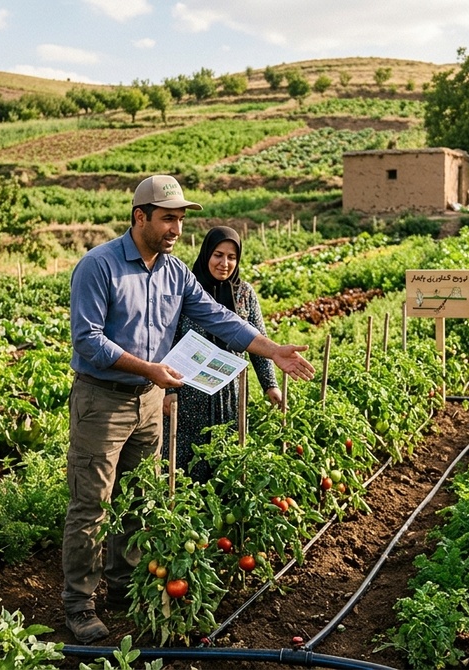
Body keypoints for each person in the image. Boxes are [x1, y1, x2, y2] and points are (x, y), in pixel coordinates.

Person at [62, 174, 315, 644]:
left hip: (149, 400)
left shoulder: (175, 272)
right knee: (92, 503)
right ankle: (79, 604)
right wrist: (149, 369)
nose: (177, 229)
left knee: (139, 497)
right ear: (140, 217)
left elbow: (219, 317)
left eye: (180, 219)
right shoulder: (99, 266)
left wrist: (271, 349)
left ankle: (121, 584)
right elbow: (88, 340)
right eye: (168, 218)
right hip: (103, 400)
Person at [162, 226, 283, 481]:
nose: (224, 263)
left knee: (227, 460)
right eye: (218, 255)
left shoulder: (244, 294)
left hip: (231, 394)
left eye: (231, 257)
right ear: (206, 254)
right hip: (189, 394)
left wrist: (270, 385)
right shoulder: (188, 291)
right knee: (186, 465)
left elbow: (257, 341)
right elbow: (168, 341)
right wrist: (169, 390)